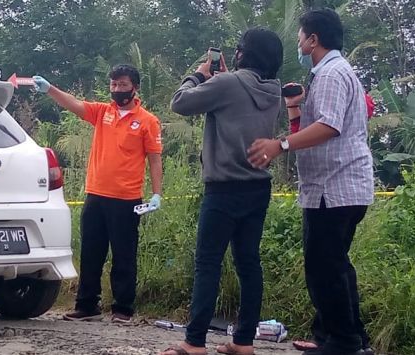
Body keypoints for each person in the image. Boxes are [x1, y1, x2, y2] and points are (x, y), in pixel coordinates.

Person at [247, 8, 374, 355]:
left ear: (313, 39)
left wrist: (279, 145)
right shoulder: (331, 72)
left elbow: (329, 127)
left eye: (301, 35)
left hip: (335, 187)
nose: (299, 41)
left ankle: (342, 342)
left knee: (324, 267)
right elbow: (314, 126)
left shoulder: (332, 74)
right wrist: (295, 108)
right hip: (335, 187)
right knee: (335, 264)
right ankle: (345, 337)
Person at [160, 28, 283, 355]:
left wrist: (198, 76)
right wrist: (226, 80)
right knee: (248, 263)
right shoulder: (274, 90)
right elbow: (240, 97)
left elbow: (180, 103)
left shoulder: (226, 84)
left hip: (223, 188)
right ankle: (244, 342)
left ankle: (195, 342)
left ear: (242, 53)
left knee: (208, 263)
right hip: (258, 187)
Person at [32, 65, 163, 323]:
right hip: (95, 194)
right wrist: (50, 90)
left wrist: (156, 193)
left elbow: (155, 160)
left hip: (126, 199)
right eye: (113, 85)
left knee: (124, 256)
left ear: (135, 87)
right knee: (91, 253)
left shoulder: (147, 120)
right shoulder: (103, 112)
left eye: (122, 85)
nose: (117, 90)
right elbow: (74, 104)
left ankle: (123, 309)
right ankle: (87, 305)